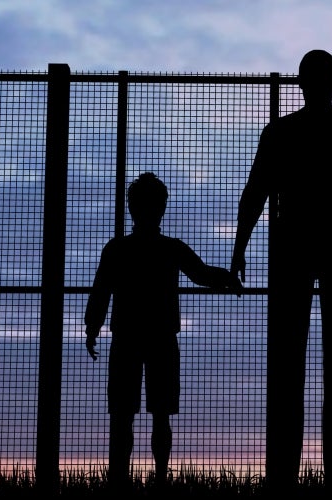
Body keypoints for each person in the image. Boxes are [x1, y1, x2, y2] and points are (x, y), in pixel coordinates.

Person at [230, 49, 332, 497]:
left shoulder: (281, 132)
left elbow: (255, 193)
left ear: (301, 83)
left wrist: (239, 247)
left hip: (292, 249)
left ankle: (283, 476)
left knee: (288, 367)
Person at [84, 172, 243, 491]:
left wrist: (93, 327)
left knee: (122, 415)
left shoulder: (117, 249)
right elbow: (201, 273)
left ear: (131, 207)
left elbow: (101, 290)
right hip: (161, 337)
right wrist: (228, 277)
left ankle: (119, 482)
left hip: (127, 337)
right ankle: (158, 479)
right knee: (160, 414)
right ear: (162, 208)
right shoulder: (170, 248)